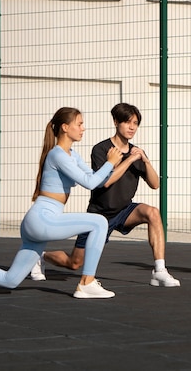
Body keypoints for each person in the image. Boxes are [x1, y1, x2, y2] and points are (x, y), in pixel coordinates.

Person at [0, 107, 123, 299]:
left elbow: (97, 179)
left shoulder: (73, 155)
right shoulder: (57, 154)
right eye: (80, 124)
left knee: (10, 280)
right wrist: (109, 162)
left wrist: (116, 163)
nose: (84, 128)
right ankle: (86, 282)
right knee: (99, 222)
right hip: (43, 219)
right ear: (65, 127)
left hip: (39, 221)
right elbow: (89, 183)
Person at [31, 103, 180, 287]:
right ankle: (42, 257)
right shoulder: (102, 150)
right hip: (98, 214)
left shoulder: (136, 152)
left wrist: (146, 161)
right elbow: (105, 181)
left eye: (135, 123)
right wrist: (129, 160)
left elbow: (155, 184)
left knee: (153, 213)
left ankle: (159, 271)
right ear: (116, 122)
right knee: (75, 263)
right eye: (127, 122)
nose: (132, 127)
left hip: (124, 211)